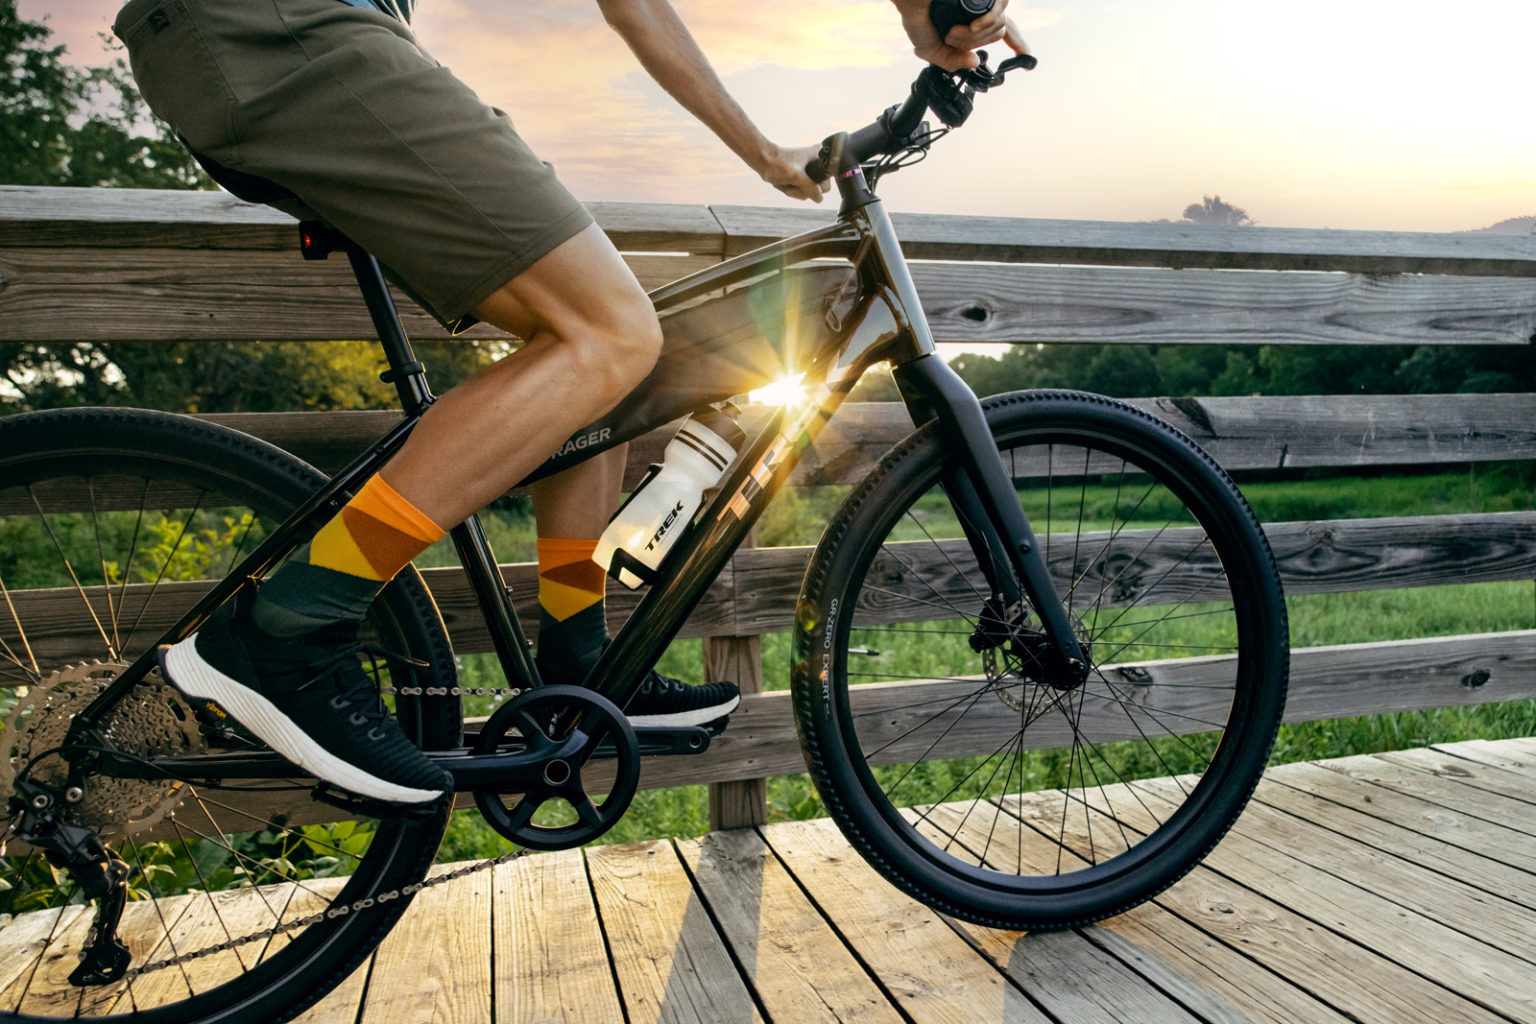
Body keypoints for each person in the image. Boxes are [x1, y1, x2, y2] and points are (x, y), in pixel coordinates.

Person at [116, 0, 1028, 805]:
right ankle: (291, 622)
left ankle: (579, 653)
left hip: (286, 41)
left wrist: (775, 140)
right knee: (613, 332)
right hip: (278, 29)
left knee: (614, 354)